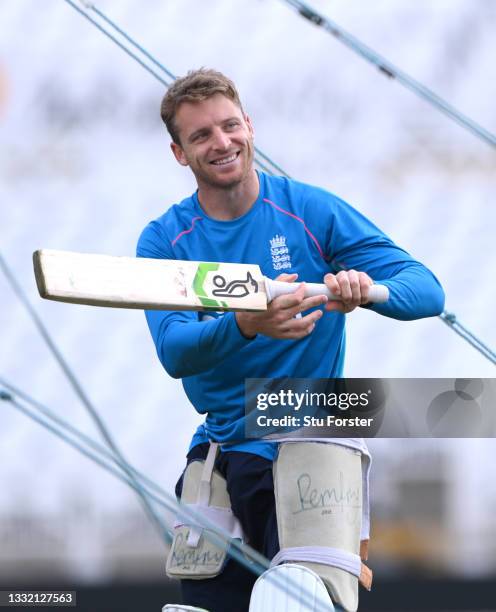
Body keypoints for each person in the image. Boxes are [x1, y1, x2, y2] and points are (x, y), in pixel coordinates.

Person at [137, 68, 445, 612]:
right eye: (201, 135)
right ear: (179, 154)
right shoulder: (165, 238)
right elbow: (174, 351)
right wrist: (247, 323)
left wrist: (365, 290)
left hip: (310, 436)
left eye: (230, 126)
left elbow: (427, 291)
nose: (222, 142)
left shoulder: (308, 209)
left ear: (250, 127)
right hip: (221, 453)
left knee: (293, 603)